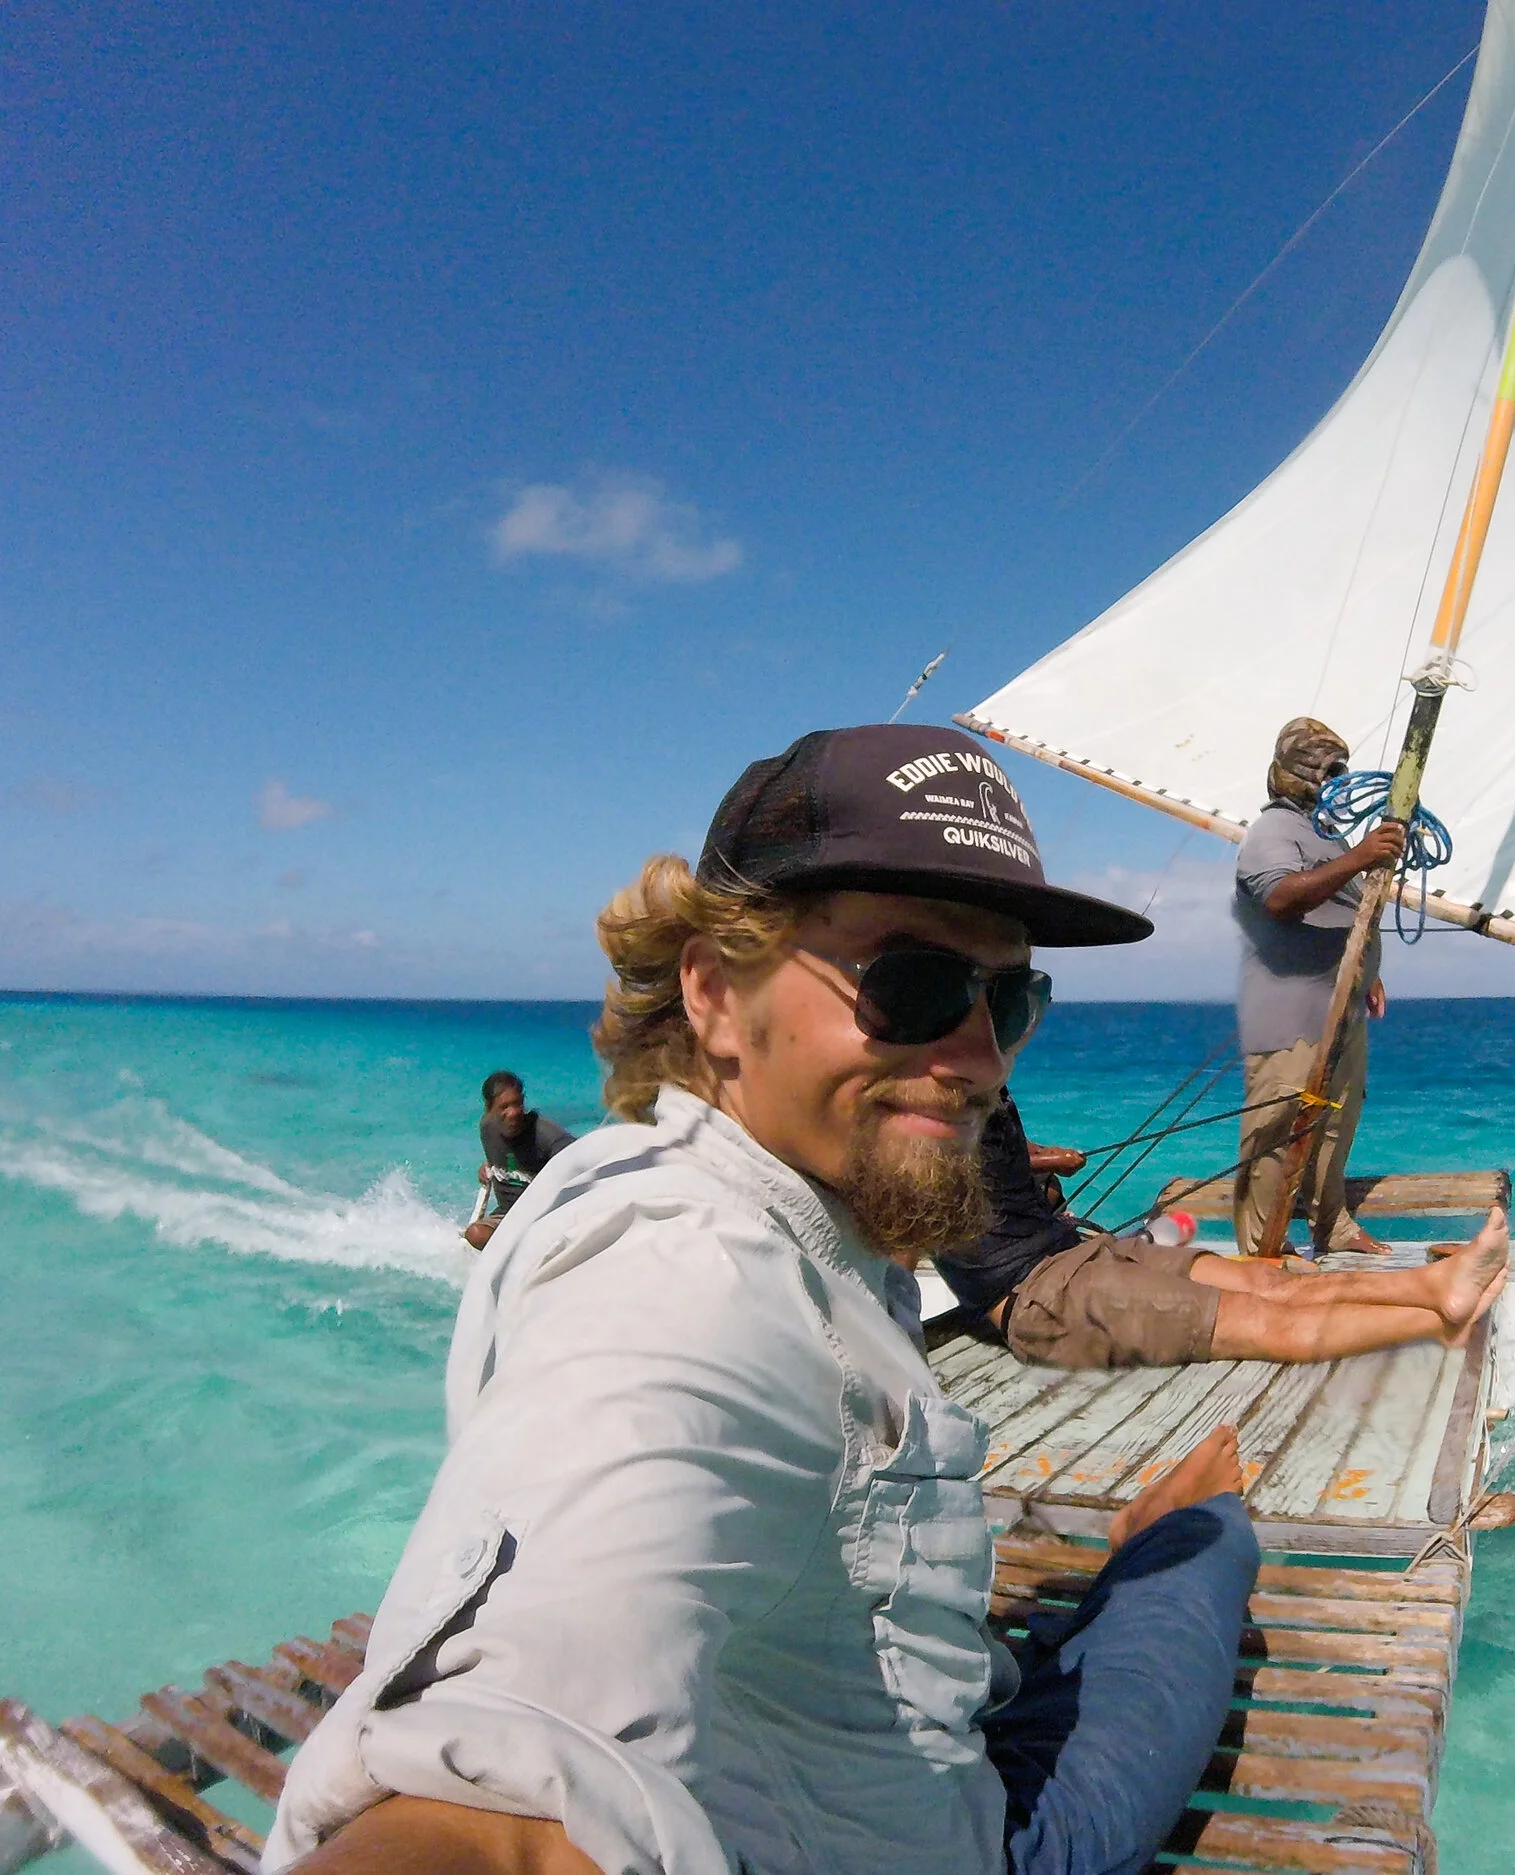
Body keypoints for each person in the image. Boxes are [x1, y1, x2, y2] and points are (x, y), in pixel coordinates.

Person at [268, 724, 1263, 1875]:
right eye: (914, 985)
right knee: (1209, 1555)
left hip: (844, 1762)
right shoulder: (683, 1280)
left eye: (1009, 998)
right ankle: (1178, 1532)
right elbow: (509, 1767)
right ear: (715, 994)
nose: (983, 1055)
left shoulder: (692, 1175)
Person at [935, 1091, 1506, 1369]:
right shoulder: (915, 1111)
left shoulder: (981, 1082)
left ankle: (1436, 1288)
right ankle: (1436, 1325)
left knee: (1271, 1281)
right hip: (1037, 1299)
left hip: (1077, 1254)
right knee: (1268, 1323)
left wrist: (1046, 1159)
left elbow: (991, 1149)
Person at [1231, 716, 1404, 1259]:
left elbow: (1344, 907)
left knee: (1336, 1120)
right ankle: (1263, 1250)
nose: (1338, 780)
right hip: (1290, 1012)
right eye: (1328, 770)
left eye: (1340, 769)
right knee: (1275, 1131)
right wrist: (1359, 857)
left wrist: (1368, 972)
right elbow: (1279, 897)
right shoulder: (1273, 831)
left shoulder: (1324, 834)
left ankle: (1333, 1227)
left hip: (1340, 1005)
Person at [462, 1072, 577, 1249]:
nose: (514, 1112)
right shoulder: (487, 1128)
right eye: (504, 1107)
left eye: (518, 1103)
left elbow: (583, 1164)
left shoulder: (549, 1137)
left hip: (545, 1218)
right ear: (489, 1108)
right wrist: (488, 1165)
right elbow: (507, 1158)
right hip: (508, 1216)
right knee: (475, 1234)